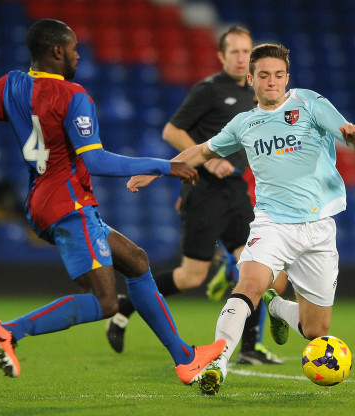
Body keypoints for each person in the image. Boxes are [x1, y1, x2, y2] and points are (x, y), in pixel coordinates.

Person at [0, 18, 225, 384]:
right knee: (105, 302)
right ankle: (9, 330)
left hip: (42, 202)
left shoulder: (8, 85)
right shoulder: (74, 96)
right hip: (69, 204)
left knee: (136, 261)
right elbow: (97, 161)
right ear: (57, 51)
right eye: (73, 48)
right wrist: (165, 165)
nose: (77, 54)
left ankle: (185, 358)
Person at [126, 43, 355, 395]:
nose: (272, 82)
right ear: (251, 79)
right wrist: (159, 169)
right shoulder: (244, 123)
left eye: (279, 76)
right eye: (265, 76)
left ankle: (278, 307)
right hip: (272, 224)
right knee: (249, 286)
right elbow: (201, 151)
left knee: (316, 330)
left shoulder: (309, 104)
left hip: (319, 228)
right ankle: (216, 363)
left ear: (288, 78)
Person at [105, 26, 283, 365]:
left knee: (258, 265)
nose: (242, 57)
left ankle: (248, 347)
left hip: (236, 192)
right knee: (191, 276)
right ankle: (125, 306)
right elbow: (172, 130)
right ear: (221, 56)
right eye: (235, 52)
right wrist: (204, 165)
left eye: (247, 51)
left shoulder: (255, 91)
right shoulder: (209, 90)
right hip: (204, 192)